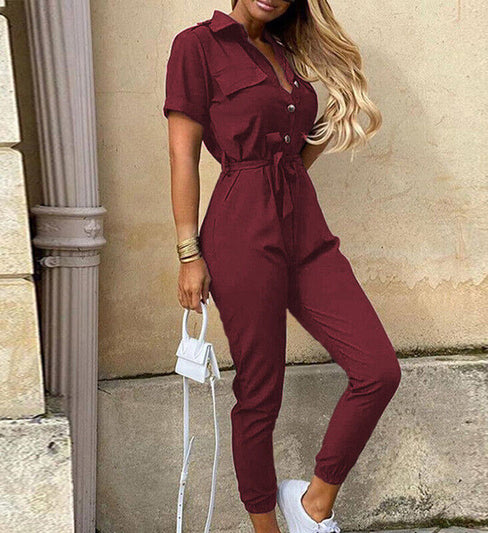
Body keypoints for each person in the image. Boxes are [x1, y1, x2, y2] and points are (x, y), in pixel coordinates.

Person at [163, 1, 402, 532]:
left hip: (304, 227)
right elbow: (182, 156)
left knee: (378, 370)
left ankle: (313, 504)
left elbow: (297, 148)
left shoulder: (287, 51)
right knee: (260, 392)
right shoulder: (196, 46)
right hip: (241, 230)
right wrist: (189, 252)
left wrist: (312, 138)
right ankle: (265, 527)